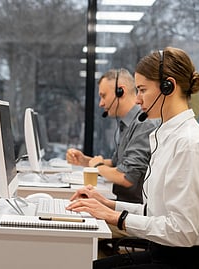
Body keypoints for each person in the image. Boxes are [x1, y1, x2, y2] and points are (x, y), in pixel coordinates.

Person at [67, 47, 199, 268]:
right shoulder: (166, 136)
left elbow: (182, 232)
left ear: (167, 86)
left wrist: (117, 218)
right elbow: (156, 212)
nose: (137, 100)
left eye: (142, 90)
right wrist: (109, 205)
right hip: (163, 251)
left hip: (184, 259)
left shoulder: (189, 145)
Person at [66, 68, 159, 204]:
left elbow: (126, 176)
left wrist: (97, 166)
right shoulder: (126, 124)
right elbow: (116, 164)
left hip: (132, 210)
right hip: (120, 203)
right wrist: (84, 161)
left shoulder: (143, 123)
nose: (101, 103)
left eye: (103, 96)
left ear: (120, 91)